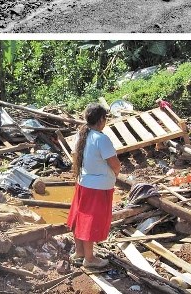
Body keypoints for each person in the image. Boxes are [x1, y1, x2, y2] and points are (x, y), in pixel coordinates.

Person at [67, 103, 121, 269]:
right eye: (105, 118)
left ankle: (79, 252)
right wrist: (115, 174)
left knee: (80, 217)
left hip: (83, 183)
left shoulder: (81, 135)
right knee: (90, 221)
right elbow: (115, 164)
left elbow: (75, 157)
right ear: (101, 120)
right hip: (99, 187)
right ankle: (90, 259)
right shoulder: (101, 139)